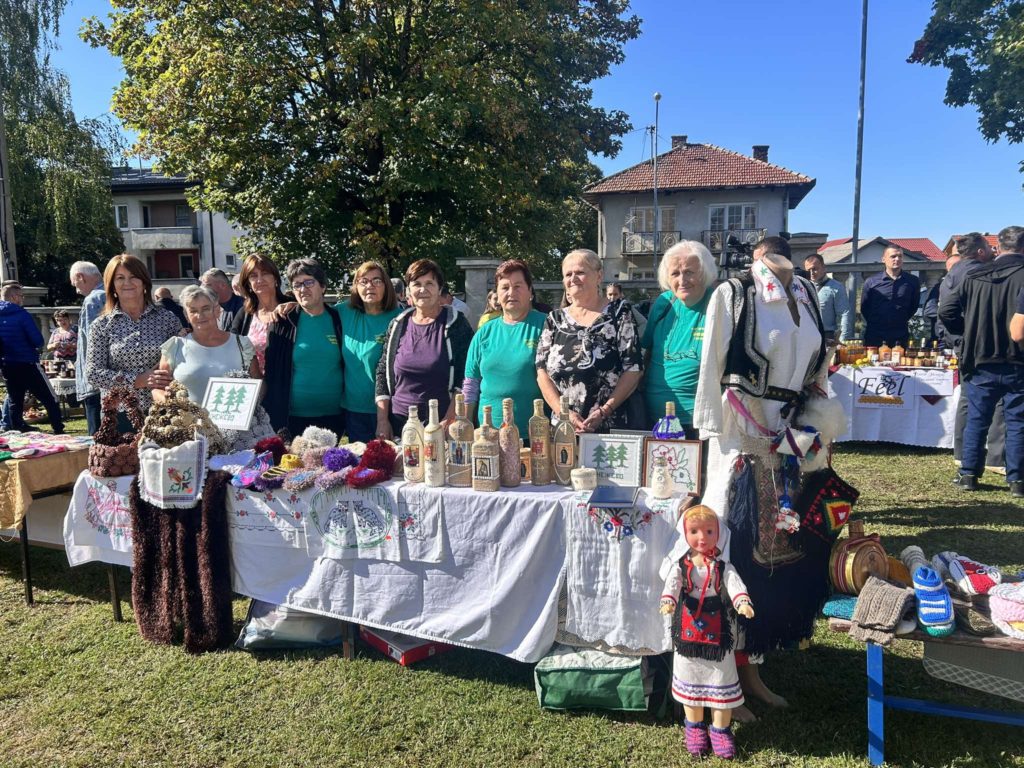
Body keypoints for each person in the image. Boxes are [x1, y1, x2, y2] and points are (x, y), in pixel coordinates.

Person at [693, 234, 830, 716]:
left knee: (778, 553)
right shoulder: (734, 294)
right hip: (742, 442)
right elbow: (711, 372)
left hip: (793, 442)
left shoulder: (807, 293)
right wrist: (722, 439)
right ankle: (722, 675)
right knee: (735, 553)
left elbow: (819, 372)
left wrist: (819, 424)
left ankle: (753, 665)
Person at [660, 505, 754, 759]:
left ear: (718, 533)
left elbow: (734, 583)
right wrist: (668, 600)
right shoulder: (681, 565)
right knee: (690, 677)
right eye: (694, 531)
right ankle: (694, 728)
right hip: (688, 633)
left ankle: (721, 730)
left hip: (718, 634)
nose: (702, 538)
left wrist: (742, 602)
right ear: (685, 534)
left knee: (721, 678)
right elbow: (672, 583)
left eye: (709, 531)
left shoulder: (722, 566)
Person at [939, 225, 1024, 498]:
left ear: (998, 247)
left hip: (979, 356)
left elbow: (946, 310)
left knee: (977, 417)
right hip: (1017, 357)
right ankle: (1017, 479)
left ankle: (968, 475)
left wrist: (966, 333)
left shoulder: (974, 275)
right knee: (1017, 420)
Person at [535, 248, 642, 432]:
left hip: (609, 427)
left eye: (580, 272)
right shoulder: (554, 320)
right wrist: (564, 413)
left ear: (599, 276)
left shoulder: (619, 314)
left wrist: (604, 411)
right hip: (564, 429)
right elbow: (541, 372)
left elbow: (633, 369)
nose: (573, 278)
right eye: (568, 274)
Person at [375, 259, 473, 439]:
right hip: (399, 424)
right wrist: (382, 420)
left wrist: (450, 419)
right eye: (417, 284)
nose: (423, 289)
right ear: (408, 290)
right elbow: (382, 371)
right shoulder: (398, 325)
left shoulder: (456, 324)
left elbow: (466, 376)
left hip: (440, 424)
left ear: (440, 288)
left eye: (429, 283)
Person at [86, 254, 183, 422]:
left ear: (144, 282)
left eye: (133, 277)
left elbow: (181, 360)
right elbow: (93, 373)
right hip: (120, 414)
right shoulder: (101, 325)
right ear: (112, 285)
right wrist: (137, 380)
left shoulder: (167, 319)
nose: (127, 283)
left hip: (163, 409)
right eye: (120, 278)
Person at [940, 233, 1003, 470]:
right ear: (980, 251)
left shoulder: (953, 272)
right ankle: (995, 457)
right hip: (979, 341)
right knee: (996, 399)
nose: (992, 251)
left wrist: (959, 333)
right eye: (989, 247)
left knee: (967, 399)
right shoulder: (979, 273)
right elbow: (948, 310)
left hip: (961, 342)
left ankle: (962, 452)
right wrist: (969, 330)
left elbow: (946, 311)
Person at [641, 240, 717, 434]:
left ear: (705, 273)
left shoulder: (718, 303)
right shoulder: (664, 303)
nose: (682, 280)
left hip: (700, 423)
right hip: (654, 419)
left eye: (689, 272)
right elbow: (646, 351)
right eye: (675, 273)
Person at [262, 258, 344, 436]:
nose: (302, 289)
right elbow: (272, 372)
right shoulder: (282, 322)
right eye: (297, 284)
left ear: (323, 286)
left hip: (334, 416)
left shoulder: (339, 319)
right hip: (292, 417)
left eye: (309, 282)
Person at [463, 259, 546, 435]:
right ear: (497, 294)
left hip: (534, 435)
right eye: (505, 287)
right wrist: (466, 425)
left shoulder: (546, 326)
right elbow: (471, 383)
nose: (511, 293)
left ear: (530, 291)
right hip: (489, 435)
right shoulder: (484, 333)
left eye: (518, 286)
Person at [154, 284, 260, 403]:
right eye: (193, 311)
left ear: (217, 310)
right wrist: (169, 400)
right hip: (187, 415)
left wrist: (249, 404)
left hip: (233, 415)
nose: (200, 316)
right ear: (186, 316)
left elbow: (259, 383)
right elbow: (158, 389)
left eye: (206, 309)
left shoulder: (241, 344)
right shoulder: (175, 346)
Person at [335, 261, 402, 442]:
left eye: (376, 281)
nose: (369, 286)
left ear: (386, 285)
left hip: (391, 411)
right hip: (354, 410)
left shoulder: (399, 317)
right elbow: (314, 309)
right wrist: (288, 305)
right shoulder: (344, 312)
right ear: (356, 286)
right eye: (363, 281)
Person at [0, 282, 64, 433]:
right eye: (21, 296)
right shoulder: (22, 314)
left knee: (15, 398)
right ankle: (58, 427)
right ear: (14, 297)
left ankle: (17, 427)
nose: (22, 299)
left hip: (7, 363)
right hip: (27, 361)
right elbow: (37, 340)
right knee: (49, 397)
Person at [230, 254, 291, 374]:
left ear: (275, 278)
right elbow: (232, 345)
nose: (259, 280)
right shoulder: (245, 314)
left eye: (265, 273)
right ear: (248, 284)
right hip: (255, 383)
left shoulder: (291, 309)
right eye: (253, 276)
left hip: (288, 381)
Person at [859, 245, 921, 347]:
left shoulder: (912, 281)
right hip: (876, 334)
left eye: (900, 256)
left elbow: (913, 306)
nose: (897, 259)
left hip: (900, 333)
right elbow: (864, 307)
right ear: (883, 259)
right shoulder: (871, 281)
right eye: (893, 256)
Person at [70, 261, 105, 434]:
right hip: (110, 377)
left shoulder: (93, 299)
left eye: (75, 284)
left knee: (97, 434)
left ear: (80, 277)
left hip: (96, 378)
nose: (76, 290)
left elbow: (93, 341)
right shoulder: (112, 293)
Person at [803, 253, 852, 343]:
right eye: (808, 270)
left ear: (823, 267)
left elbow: (844, 314)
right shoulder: (801, 287)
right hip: (806, 336)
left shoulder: (836, 287)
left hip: (828, 337)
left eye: (815, 269)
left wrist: (842, 340)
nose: (811, 273)